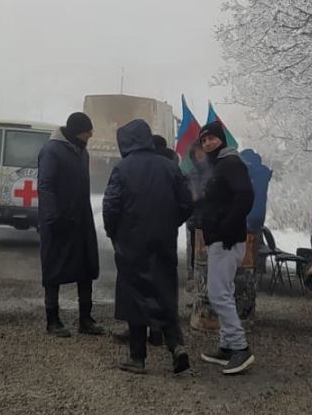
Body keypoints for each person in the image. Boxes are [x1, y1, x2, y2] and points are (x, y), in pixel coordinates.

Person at [103, 119, 194, 375]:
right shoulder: (169, 167)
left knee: (135, 297)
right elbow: (187, 203)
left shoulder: (122, 168)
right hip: (163, 240)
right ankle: (177, 347)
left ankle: (138, 358)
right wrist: (169, 223)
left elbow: (110, 206)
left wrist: (114, 233)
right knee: (164, 291)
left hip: (131, 242)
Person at [194, 122, 256, 374]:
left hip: (226, 239)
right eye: (204, 140)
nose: (208, 143)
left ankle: (240, 348)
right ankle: (226, 347)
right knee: (224, 292)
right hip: (220, 238)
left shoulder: (231, 163)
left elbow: (245, 196)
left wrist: (228, 227)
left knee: (217, 293)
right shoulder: (220, 165)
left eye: (212, 139)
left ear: (222, 140)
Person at [37, 112, 104, 337]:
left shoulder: (82, 153)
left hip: (81, 219)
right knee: (54, 269)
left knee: (86, 267)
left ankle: (85, 318)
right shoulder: (51, 151)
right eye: (88, 131)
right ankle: (52, 320)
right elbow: (45, 186)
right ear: (77, 132)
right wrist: (54, 217)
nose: (91, 135)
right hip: (58, 221)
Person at [184, 141, 212, 276]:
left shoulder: (213, 170)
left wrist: (199, 194)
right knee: (195, 250)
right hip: (195, 218)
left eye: (202, 153)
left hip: (210, 218)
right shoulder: (191, 173)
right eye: (197, 153)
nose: (199, 155)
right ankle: (194, 275)